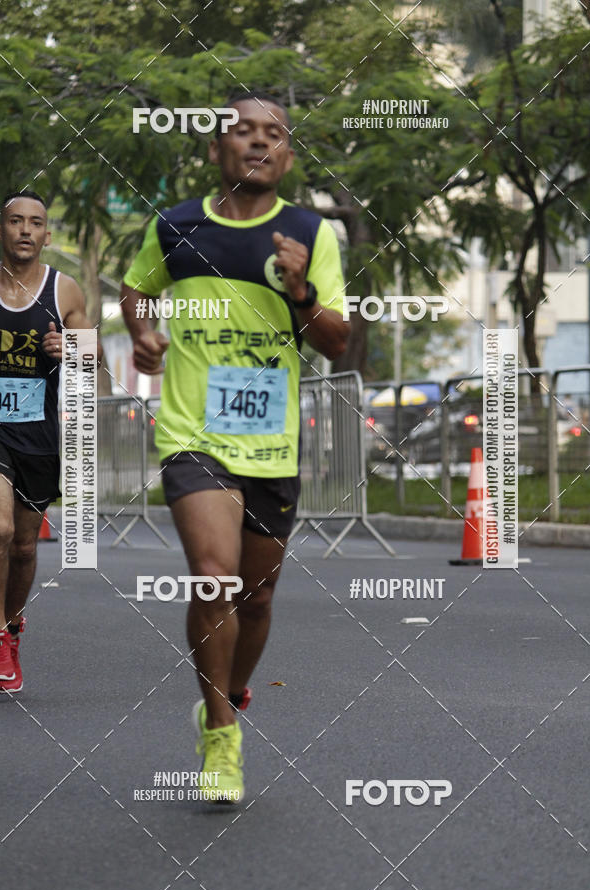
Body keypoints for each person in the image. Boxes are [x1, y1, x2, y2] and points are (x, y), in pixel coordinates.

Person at [120, 92, 350, 802]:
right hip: (193, 433)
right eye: (242, 132)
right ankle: (220, 732)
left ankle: (233, 689)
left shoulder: (310, 232)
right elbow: (135, 291)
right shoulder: (176, 225)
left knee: (255, 598)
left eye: (273, 134)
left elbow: (336, 341)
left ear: (287, 155)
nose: (258, 142)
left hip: (270, 440)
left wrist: (301, 290)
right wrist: (143, 332)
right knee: (214, 575)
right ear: (217, 150)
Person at [0, 190, 100, 692]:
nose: (25, 230)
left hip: (38, 435)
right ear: (0, 230)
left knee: (23, 547)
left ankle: (12, 624)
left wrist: (70, 350)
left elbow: (93, 366)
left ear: (47, 236)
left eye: (35, 223)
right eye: (15, 221)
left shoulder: (66, 291)